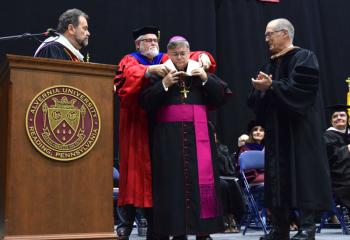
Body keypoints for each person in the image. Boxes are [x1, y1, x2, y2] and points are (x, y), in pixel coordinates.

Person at [114, 26, 217, 240]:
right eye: (147, 40)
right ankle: (127, 223)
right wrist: (148, 71)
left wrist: (204, 56)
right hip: (139, 127)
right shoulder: (130, 60)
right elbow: (126, 78)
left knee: (166, 179)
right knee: (139, 178)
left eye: (154, 40)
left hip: (165, 128)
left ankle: (168, 227)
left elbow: (187, 54)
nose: (152, 43)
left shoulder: (164, 58)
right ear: (137, 44)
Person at [248, 18, 332, 240]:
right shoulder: (269, 65)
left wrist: (272, 86)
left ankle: (307, 228)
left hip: (301, 130)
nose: (266, 39)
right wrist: (261, 91)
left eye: (270, 34)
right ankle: (279, 229)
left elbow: (302, 91)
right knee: (276, 178)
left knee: (305, 176)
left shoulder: (304, 57)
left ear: (284, 33)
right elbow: (256, 102)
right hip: (277, 133)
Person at [140, 36, 229, 240]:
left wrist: (206, 78)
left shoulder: (199, 73)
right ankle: (176, 230)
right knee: (171, 184)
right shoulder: (159, 74)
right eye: (175, 55)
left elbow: (221, 97)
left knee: (201, 183)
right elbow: (145, 104)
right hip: (168, 140)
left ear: (189, 53)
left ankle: (202, 231)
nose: (179, 58)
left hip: (200, 138)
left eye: (182, 54)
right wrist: (163, 84)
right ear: (168, 55)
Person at [324, 104, 350, 213]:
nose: (339, 118)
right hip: (339, 178)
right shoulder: (327, 137)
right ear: (331, 121)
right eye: (335, 116)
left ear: (347, 119)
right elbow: (329, 159)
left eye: (342, 115)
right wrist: (347, 150)